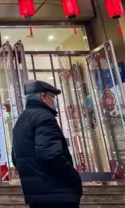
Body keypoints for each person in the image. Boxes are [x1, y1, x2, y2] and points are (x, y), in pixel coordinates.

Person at [12, 80, 82, 208]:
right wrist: (73, 175)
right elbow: (50, 154)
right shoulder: (44, 117)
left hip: (35, 196)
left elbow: (15, 158)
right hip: (58, 194)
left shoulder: (21, 121)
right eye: (52, 97)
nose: (54, 102)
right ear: (43, 97)